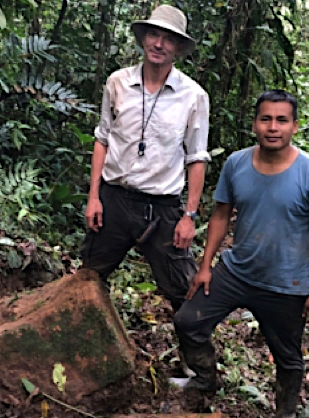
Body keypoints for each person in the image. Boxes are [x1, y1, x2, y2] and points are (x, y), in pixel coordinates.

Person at [169, 90, 309, 418]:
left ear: (294, 125)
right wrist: (205, 267)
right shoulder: (237, 164)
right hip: (237, 271)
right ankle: (204, 378)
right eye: (266, 119)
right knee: (188, 321)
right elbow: (220, 214)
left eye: (281, 120)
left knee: (288, 358)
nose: (272, 127)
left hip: (287, 283)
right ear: (254, 124)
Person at [82, 5, 210, 319]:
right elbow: (103, 139)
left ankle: (199, 368)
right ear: (143, 39)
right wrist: (94, 197)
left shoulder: (193, 96)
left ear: (178, 48)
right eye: (154, 34)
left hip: (162, 209)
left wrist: (189, 216)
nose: (159, 44)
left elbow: (196, 158)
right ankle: (77, 355)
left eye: (169, 39)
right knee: (88, 279)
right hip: (115, 200)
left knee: (185, 292)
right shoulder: (117, 83)